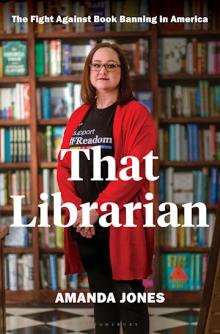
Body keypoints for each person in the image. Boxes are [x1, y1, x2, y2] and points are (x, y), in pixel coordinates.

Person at [57, 42, 157, 334]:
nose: (103, 71)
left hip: (120, 220)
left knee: (128, 295)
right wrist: (78, 211)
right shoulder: (78, 116)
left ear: (121, 73)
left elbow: (136, 171)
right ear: (88, 72)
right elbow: (64, 168)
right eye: (96, 65)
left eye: (111, 65)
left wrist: (96, 211)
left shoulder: (136, 113)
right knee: (102, 298)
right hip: (85, 223)